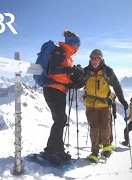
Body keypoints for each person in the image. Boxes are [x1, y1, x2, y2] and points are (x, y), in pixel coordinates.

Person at [43, 30, 82, 165]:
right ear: (74, 44)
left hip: (60, 90)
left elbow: (64, 77)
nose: (79, 47)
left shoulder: (69, 57)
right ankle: (50, 151)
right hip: (52, 89)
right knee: (60, 119)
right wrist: (69, 70)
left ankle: (58, 149)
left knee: (61, 119)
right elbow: (53, 70)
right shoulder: (60, 52)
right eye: (78, 44)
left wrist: (75, 80)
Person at [84, 49, 128, 163]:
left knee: (105, 127)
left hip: (104, 104)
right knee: (94, 128)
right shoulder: (85, 71)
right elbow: (77, 83)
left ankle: (107, 147)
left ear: (101, 59)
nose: (93, 61)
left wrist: (122, 100)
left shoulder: (108, 71)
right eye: (92, 58)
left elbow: (116, 86)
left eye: (96, 58)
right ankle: (94, 152)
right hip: (90, 105)